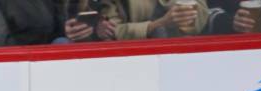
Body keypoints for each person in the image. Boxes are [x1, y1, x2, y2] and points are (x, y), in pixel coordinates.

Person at [64, 0, 208, 41]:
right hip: (137, 53)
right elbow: (113, 30)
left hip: (183, 51)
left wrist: (188, 16)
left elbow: (201, 12)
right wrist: (158, 24)